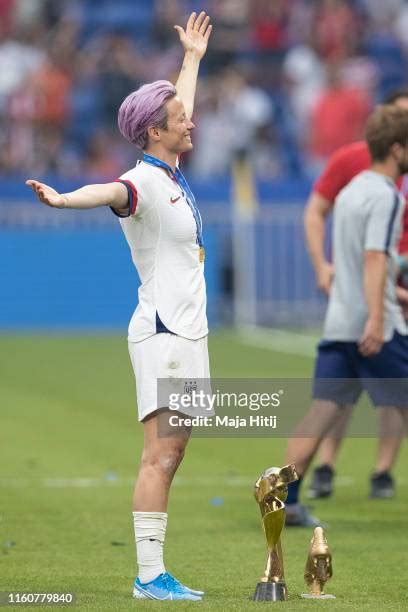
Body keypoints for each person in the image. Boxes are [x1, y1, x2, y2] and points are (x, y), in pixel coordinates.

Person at [26, 11, 213, 602]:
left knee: (173, 454)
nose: (191, 120)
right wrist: (62, 199)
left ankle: (156, 571)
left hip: (187, 332)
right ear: (155, 133)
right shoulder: (143, 182)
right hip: (163, 332)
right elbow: (111, 191)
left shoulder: (171, 169)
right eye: (180, 119)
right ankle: (149, 576)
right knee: (159, 458)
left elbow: (176, 106)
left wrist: (191, 60)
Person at [285, 105, 408, 527]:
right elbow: (375, 257)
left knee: (322, 411)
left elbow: (354, 260)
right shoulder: (389, 195)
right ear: (397, 149)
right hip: (376, 324)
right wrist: (377, 318)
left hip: (339, 319)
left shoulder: (352, 190)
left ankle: (287, 499)